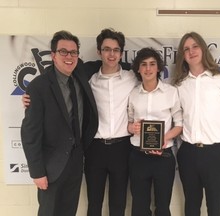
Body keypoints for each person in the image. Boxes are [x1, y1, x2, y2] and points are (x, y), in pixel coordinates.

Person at [21, 30, 98, 216]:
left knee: (68, 211)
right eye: (63, 52)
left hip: (75, 161)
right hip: (51, 166)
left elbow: (107, 63)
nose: (69, 57)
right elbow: (30, 133)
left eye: (73, 52)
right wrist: (37, 172)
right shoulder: (38, 87)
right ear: (53, 55)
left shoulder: (81, 76)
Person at [172, 31, 220, 216]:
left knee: (216, 210)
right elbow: (177, 120)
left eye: (195, 46)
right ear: (182, 55)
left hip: (216, 155)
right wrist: (180, 150)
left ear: (203, 49)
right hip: (188, 153)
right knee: (191, 208)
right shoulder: (179, 85)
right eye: (186, 49)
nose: (191, 51)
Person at [83, 28, 138, 216]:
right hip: (95, 149)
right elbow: (59, 75)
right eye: (106, 49)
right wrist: (31, 93)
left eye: (116, 50)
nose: (111, 54)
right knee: (94, 204)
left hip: (122, 149)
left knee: (118, 204)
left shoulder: (133, 77)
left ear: (121, 53)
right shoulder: (88, 78)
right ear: (99, 52)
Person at [127, 47, 183, 216]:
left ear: (159, 68)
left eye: (152, 64)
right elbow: (129, 123)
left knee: (163, 207)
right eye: (143, 64)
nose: (148, 68)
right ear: (138, 68)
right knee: (139, 207)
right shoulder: (133, 94)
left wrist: (163, 139)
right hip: (138, 157)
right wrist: (132, 128)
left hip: (163, 157)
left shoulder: (171, 93)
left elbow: (179, 125)